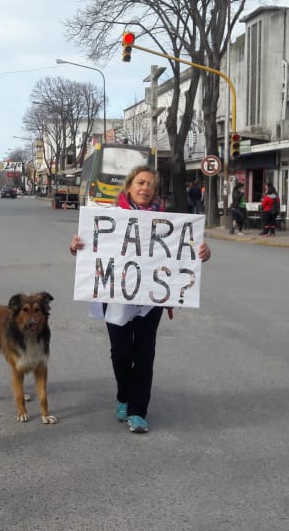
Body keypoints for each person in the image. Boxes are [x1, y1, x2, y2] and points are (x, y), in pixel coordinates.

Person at [68, 165, 210, 434]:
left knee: (145, 354)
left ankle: (137, 411)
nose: (146, 188)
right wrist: (76, 246)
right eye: (141, 182)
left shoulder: (168, 224)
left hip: (151, 299)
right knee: (122, 353)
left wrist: (202, 253)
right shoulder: (110, 217)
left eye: (151, 185)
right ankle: (123, 395)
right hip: (116, 296)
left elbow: (184, 254)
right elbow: (89, 250)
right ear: (130, 186)